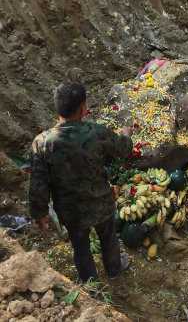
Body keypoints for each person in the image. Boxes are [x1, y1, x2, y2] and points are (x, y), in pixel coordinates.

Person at [29, 82, 133, 283]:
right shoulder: (96, 133)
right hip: (101, 203)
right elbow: (123, 150)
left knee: (80, 246)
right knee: (109, 239)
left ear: (57, 108)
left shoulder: (42, 143)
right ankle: (114, 270)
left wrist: (39, 213)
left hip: (71, 211)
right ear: (84, 108)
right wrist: (126, 134)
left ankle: (90, 282)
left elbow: (38, 183)